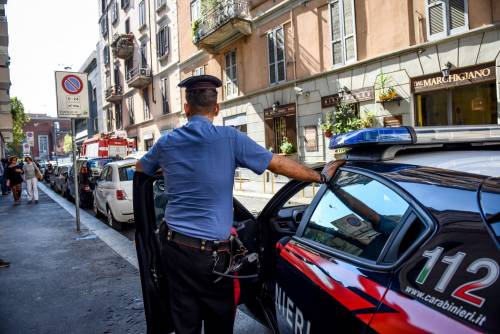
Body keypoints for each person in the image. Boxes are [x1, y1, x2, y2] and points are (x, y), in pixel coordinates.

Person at [136, 75, 345, 334]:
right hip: (214, 257)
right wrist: (320, 175)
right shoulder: (230, 138)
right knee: (219, 322)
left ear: (186, 108)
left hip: (175, 250)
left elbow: (141, 169)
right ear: (216, 108)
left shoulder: (166, 142)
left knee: (183, 321)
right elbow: (278, 164)